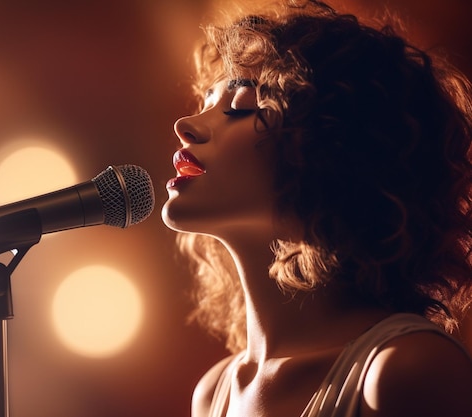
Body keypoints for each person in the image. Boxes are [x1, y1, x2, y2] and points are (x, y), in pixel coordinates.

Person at [161, 1, 472, 416]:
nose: (186, 124)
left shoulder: (405, 371)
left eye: (239, 107)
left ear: (332, 150)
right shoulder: (213, 393)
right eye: (206, 101)